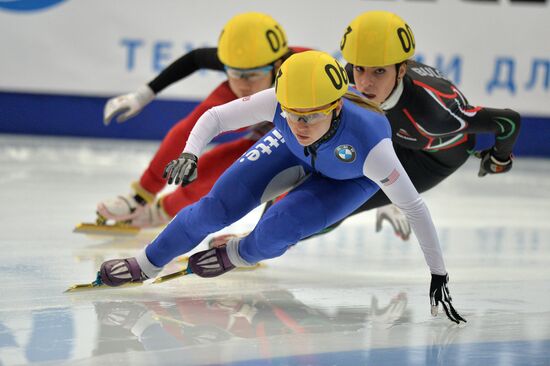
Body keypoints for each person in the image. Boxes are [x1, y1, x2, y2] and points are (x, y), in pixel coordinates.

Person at [97, 50, 466, 324]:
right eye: (292, 113)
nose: (301, 124)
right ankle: (146, 263)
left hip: (348, 178)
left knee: (279, 227)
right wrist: (192, 153)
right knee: (214, 209)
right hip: (289, 153)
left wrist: (438, 273)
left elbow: (415, 208)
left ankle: (239, 254)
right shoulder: (279, 102)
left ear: (336, 107)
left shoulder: (373, 146)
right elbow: (215, 117)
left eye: (312, 115)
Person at [95, 12, 307, 228]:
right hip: (269, 105)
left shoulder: (306, 69)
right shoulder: (246, 59)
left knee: (260, 162)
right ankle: (140, 200)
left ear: (278, 65)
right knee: (190, 132)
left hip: (298, 114)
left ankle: (267, 231)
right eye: (234, 73)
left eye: (253, 75)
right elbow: (195, 59)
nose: (243, 85)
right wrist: (141, 96)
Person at [331, 10, 521, 239]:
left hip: (433, 159)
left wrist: (500, 160)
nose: (365, 82)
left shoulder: (435, 115)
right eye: (360, 68)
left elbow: (508, 121)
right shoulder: (350, 75)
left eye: (379, 71)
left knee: (342, 205)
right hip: (396, 131)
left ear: (401, 70)